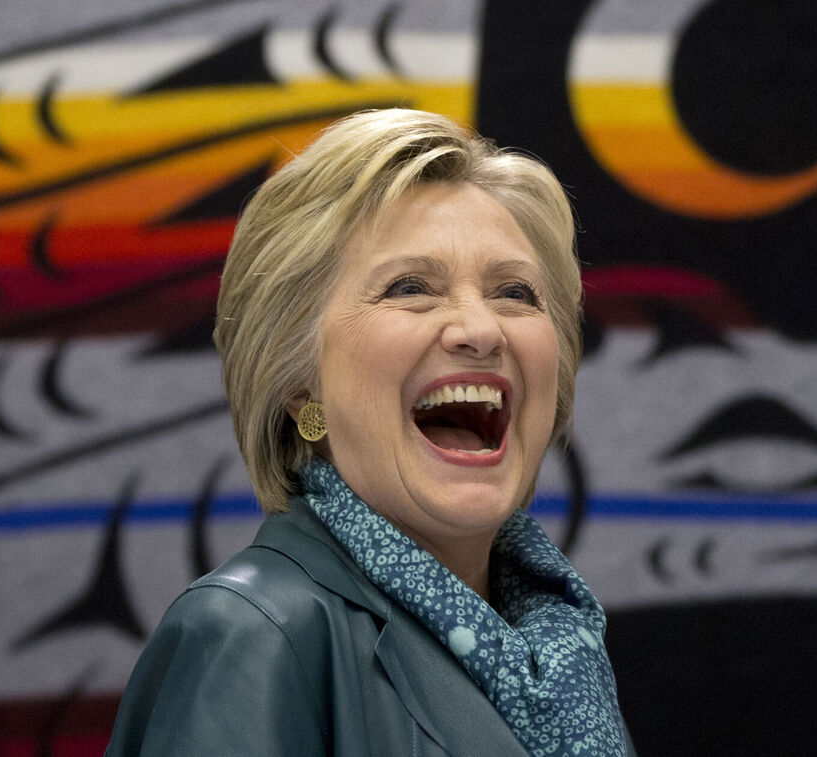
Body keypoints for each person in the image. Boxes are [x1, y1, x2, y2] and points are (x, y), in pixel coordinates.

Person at [105, 109, 633, 756]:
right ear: (300, 382)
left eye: (515, 293)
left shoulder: (559, 653)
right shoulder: (251, 632)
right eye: (410, 287)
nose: (481, 328)